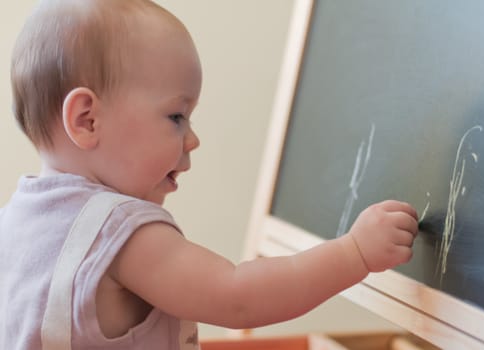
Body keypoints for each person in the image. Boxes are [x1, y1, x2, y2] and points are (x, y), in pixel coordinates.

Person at [0, 0, 419, 349]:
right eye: (176, 116)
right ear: (87, 120)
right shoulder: (118, 230)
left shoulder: (18, 223)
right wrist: (355, 254)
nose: (193, 138)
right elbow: (238, 298)